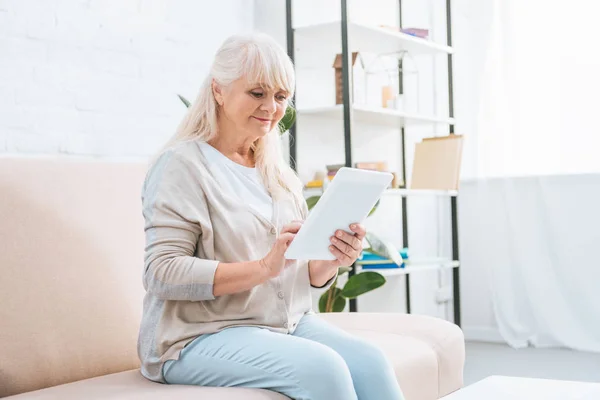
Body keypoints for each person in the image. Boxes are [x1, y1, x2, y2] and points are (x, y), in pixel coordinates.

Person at [137, 32, 405, 400]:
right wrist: (262, 267)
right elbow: (161, 272)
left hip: (284, 324)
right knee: (322, 370)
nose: (271, 107)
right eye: (257, 93)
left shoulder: (277, 174)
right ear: (219, 90)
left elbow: (301, 277)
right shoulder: (182, 166)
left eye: (281, 97)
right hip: (199, 335)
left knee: (371, 362)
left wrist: (332, 260)